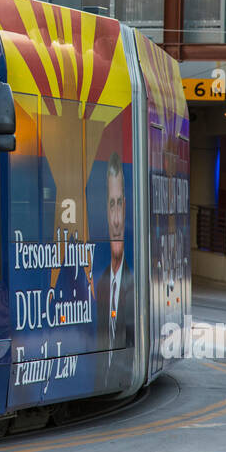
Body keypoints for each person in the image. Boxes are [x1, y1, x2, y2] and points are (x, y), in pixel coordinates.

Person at [96, 152, 135, 384]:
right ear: (105, 212)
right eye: (112, 206)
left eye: (120, 203)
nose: (118, 220)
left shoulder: (135, 285)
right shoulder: (99, 284)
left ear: (127, 207)